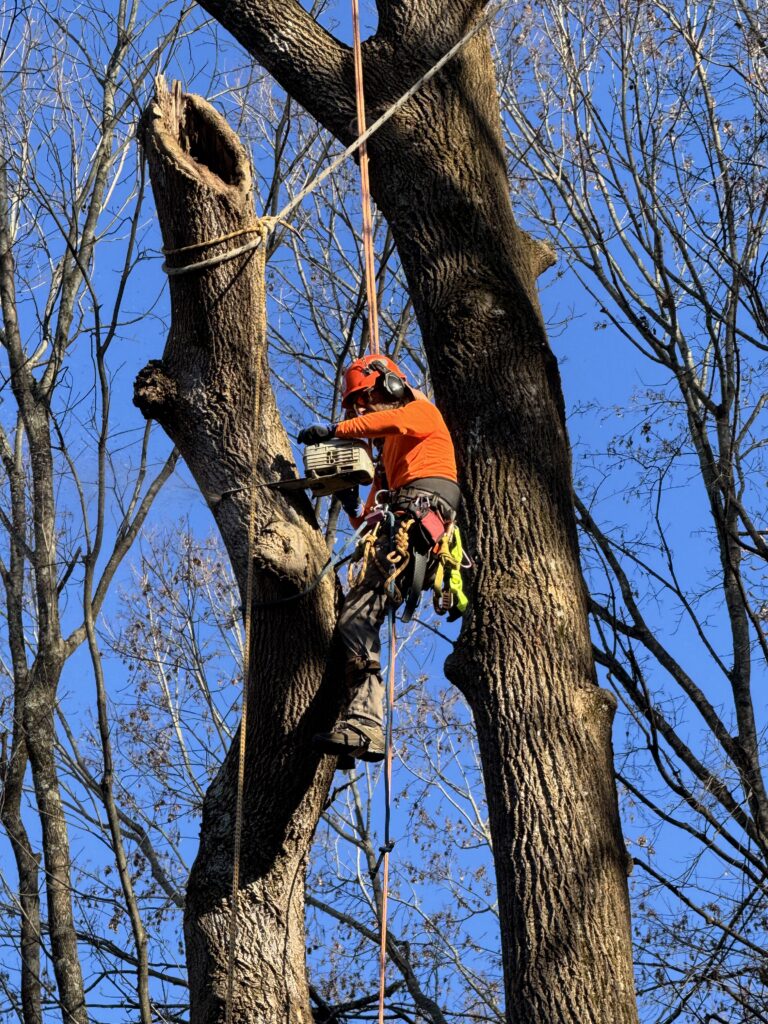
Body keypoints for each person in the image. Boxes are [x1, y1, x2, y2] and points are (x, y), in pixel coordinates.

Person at [297, 354, 461, 763]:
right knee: (353, 622)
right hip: (400, 519)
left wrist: (336, 430)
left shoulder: (419, 412)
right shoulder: (391, 457)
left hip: (416, 518)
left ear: (388, 386)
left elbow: (389, 422)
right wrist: (350, 500)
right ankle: (353, 723)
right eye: (355, 407)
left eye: (363, 401)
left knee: (355, 616)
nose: (361, 411)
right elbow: (369, 514)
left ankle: (365, 724)